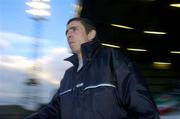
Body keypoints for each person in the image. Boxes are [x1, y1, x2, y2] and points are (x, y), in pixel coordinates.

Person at [25, 17, 160, 119]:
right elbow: (52, 111)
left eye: (74, 29)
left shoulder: (113, 60)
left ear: (91, 34)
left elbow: (145, 112)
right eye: (66, 32)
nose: (68, 35)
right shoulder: (68, 75)